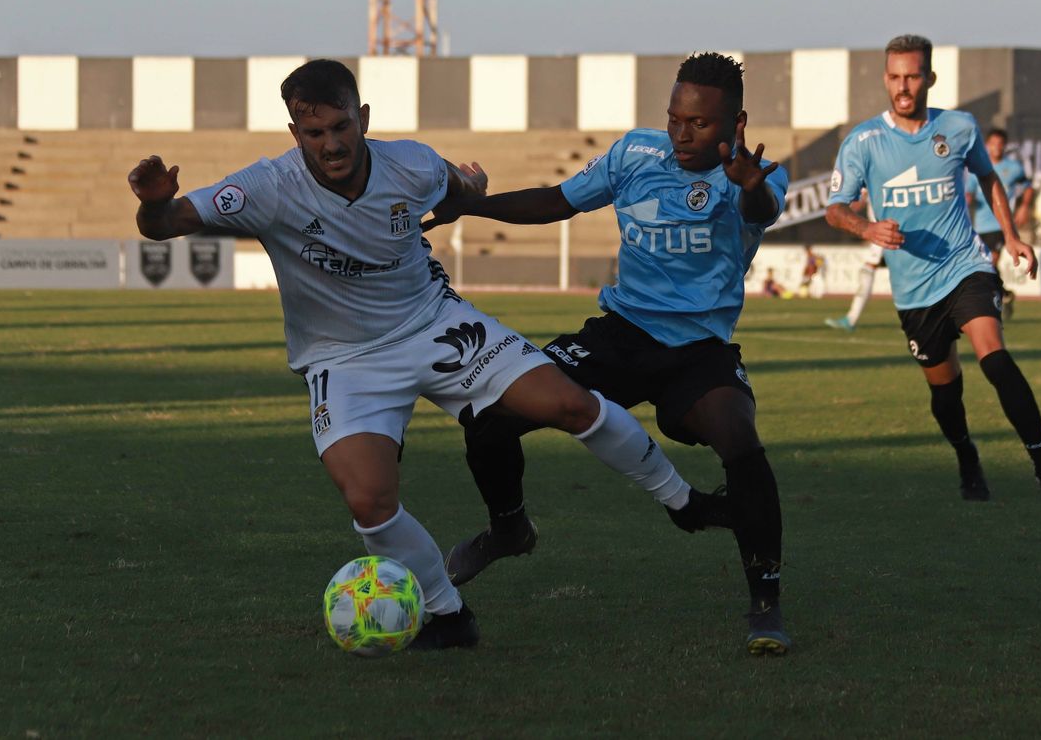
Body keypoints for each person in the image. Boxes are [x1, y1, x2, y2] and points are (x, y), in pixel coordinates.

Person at [126, 60, 718, 651]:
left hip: (434, 322)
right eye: (314, 133)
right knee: (369, 501)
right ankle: (448, 614)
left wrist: (474, 186)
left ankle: (683, 501)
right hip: (344, 357)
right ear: (294, 134)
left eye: (340, 127)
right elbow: (167, 223)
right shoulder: (266, 187)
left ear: (362, 119)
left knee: (568, 404)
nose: (330, 144)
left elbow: (459, 188)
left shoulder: (410, 163)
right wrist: (155, 203)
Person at [423, 52, 794, 655]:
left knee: (740, 440)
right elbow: (558, 201)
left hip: (698, 350)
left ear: (736, 123)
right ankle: (509, 527)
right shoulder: (634, 154)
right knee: (490, 418)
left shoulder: (757, 177)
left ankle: (765, 601)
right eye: (675, 117)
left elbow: (763, 209)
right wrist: (473, 204)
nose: (681, 132)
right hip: (618, 336)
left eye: (699, 124)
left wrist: (749, 187)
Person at [824, 35, 1041, 513]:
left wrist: (1013, 234)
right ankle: (967, 457)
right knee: (946, 393)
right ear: (886, 79)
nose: (904, 86)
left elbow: (988, 176)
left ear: (930, 79)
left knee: (995, 358)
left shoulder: (959, 127)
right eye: (895, 77)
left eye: (913, 76)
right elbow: (835, 210)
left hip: (967, 266)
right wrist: (868, 227)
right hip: (914, 291)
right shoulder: (863, 142)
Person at [963, 128, 1033, 321]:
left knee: (990, 261)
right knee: (984, 265)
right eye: (993, 143)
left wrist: (1024, 207)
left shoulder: (1013, 168)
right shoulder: (977, 168)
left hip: (1000, 225)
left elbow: (1027, 187)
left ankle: (996, 298)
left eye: (1000, 143)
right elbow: (969, 192)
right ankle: (1004, 294)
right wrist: (967, 199)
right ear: (986, 145)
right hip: (980, 225)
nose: (996, 147)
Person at [824, 190, 885, 332]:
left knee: (868, 269)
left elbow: (858, 203)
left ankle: (851, 320)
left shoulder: (872, 172)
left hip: (883, 230)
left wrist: (840, 211)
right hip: (884, 229)